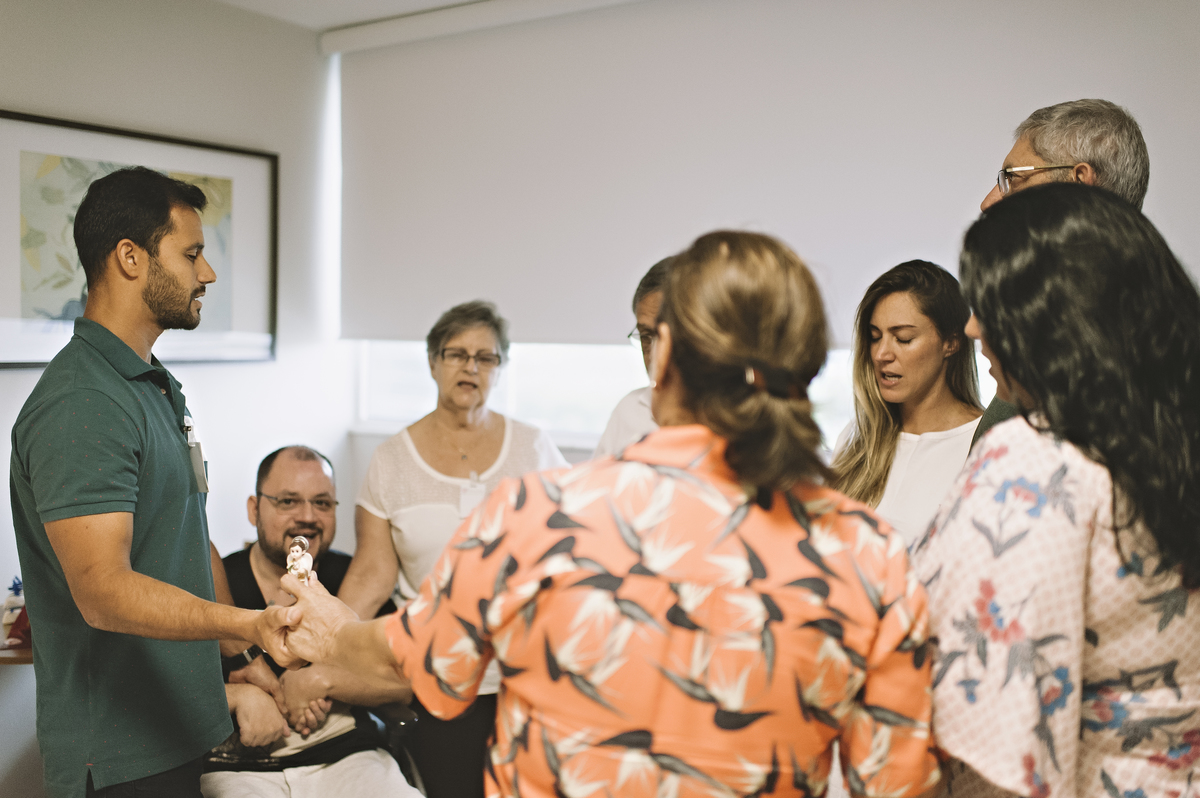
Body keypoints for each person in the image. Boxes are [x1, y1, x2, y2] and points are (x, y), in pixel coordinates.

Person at [281, 231, 942, 798]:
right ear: (805, 368)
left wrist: (331, 629)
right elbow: (893, 780)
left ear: (669, 355)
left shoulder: (537, 516)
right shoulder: (868, 554)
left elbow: (424, 664)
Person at [8, 166, 295, 798]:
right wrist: (250, 623)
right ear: (130, 258)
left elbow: (186, 545)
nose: (207, 274)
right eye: (191, 254)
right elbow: (103, 592)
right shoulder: (83, 402)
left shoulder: (153, 385)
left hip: (177, 730)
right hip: (118, 757)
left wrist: (243, 659)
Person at [912, 183, 1200, 797]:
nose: (971, 324)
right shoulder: (1176, 442)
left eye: (986, 301)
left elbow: (981, 703)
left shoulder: (1034, 464)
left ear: (1048, 314)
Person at [337, 300, 567, 798]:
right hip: (434, 677)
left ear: (499, 369)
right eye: (456, 354)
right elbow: (372, 573)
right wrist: (325, 648)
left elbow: (565, 556)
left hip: (523, 677)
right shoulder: (393, 459)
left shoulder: (534, 448)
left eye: (486, 357)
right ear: (432, 362)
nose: (470, 367)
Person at [202, 446, 419, 798]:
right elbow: (176, 690)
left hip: (348, 757)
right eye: (288, 501)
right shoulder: (217, 582)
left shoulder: (352, 578)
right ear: (254, 509)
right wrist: (239, 696)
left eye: (322, 503)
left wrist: (323, 680)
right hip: (238, 767)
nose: (307, 516)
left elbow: (404, 683)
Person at [973, 98, 1150, 446]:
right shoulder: (1047, 324)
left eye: (1013, 179)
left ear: (1078, 184)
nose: (989, 201)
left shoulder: (1158, 332)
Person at [830, 261, 983, 544]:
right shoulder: (856, 440)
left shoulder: (982, 444)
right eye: (875, 338)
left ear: (951, 342)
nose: (881, 354)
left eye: (903, 338)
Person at [592, 257, 671, 458]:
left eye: (664, 336)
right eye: (646, 336)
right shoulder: (629, 410)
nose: (655, 353)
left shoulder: (737, 418)